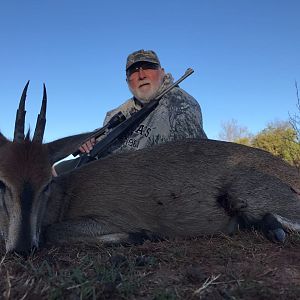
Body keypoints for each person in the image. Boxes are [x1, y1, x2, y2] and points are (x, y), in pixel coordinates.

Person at [53, 49, 207, 176]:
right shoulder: (120, 111)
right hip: (103, 168)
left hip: (140, 183)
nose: (141, 75)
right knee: (54, 172)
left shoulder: (179, 104)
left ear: (162, 72)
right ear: (127, 81)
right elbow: (104, 136)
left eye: (148, 66)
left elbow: (192, 162)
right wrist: (88, 140)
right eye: (133, 71)